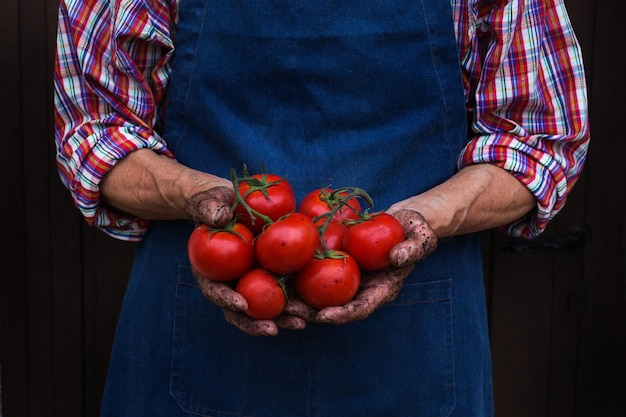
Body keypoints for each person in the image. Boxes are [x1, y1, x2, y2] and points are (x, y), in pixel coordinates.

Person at [54, 0, 589, 416]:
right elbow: (96, 134)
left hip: (416, 343)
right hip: (199, 324)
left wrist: (423, 221)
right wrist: (201, 197)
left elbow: (541, 142)